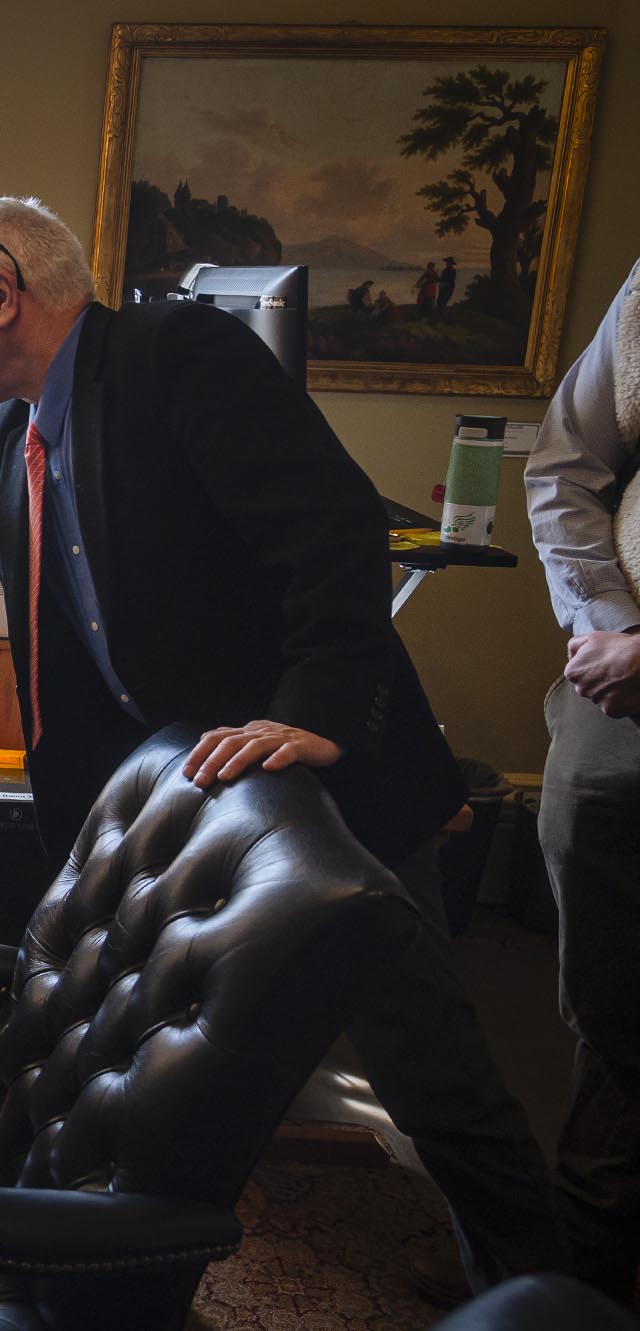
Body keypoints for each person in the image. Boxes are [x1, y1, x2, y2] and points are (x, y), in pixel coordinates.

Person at [0, 194, 568, 1297]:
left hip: (315, 783)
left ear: (4, 295)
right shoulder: (12, 428)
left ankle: (544, 1291)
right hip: (191, 799)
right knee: (179, 1072)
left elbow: (333, 525)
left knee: (428, 1064)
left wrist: (319, 713)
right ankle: (103, 1248)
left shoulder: (174, 357)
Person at [523, 255, 640, 1304]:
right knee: (601, 999)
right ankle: (580, 1264)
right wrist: (610, 622)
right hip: (615, 693)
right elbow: (562, 464)